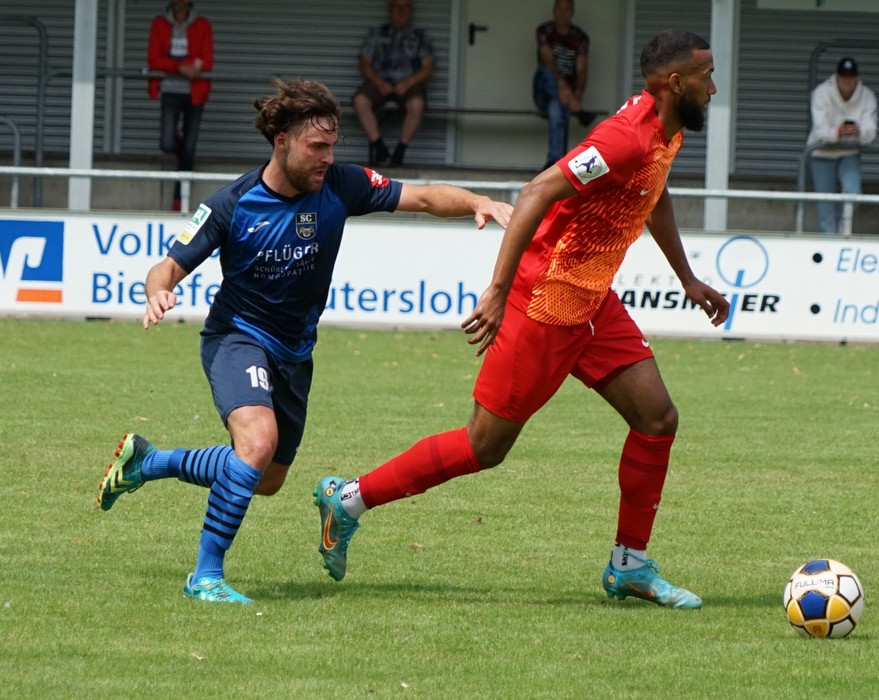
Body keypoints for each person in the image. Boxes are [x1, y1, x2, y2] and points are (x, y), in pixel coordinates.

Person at [314, 30, 730, 609]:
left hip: (593, 302)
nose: (714, 87)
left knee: (657, 419)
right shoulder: (622, 140)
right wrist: (498, 290)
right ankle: (349, 499)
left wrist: (686, 277)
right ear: (676, 83)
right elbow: (535, 192)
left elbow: (652, 193)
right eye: (707, 76)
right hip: (545, 303)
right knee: (484, 447)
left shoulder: (669, 129)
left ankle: (629, 565)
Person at [96, 78, 512, 604]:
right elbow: (167, 265)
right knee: (256, 444)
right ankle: (205, 576)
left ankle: (148, 462)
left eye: (332, 146)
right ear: (282, 141)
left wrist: (478, 200)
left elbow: (424, 197)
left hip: (295, 353)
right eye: (317, 146)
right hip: (238, 337)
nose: (327, 157)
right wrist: (158, 292)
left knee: (265, 477)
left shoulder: (340, 184)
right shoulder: (231, 204)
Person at [147, 0, 213, 212]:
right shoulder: (159, 23)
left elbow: (207, 59)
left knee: (189, 149)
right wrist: (180, 67)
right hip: (170, 90)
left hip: (195, 92)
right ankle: (181, 151)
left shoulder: (202, 25)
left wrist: (193, 67)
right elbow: (154, 59)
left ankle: (178, 201)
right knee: (168, 142)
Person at [352, 0, 435, 167]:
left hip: (408, 84)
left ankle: (399, 153)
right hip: (379, 82)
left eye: (405, 7)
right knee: (360, 101)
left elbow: (428, 67)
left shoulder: (419, 36)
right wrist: (380, 83)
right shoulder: (377, 33)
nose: (401, 11)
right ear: (390, 9)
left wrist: (408, 83)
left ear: (411, 10)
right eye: (397, 6)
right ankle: (379, 148)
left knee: (417, 104)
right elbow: (364, 63)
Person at [806, 57, 877, 234]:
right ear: (836, 76)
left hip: (849, 151)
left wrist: (858, 132)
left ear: (857, 77)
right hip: (822, 153)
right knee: (825, 204)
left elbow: (870, 132)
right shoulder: (821, 92)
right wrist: (837, 132)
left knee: (852, 193)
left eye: (851, 76)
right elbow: (820, 129)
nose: (847, 80)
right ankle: (829, 242)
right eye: (843, 76)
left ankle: (845, 234)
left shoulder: (867, 95)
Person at [533, 0, 595, 170]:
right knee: (545, 73)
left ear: (572, 12)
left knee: (556, 107)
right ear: (553, 11)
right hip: (543, 91)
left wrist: (578, 95)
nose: (562, 13)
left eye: (567, 9)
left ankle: (553, 162)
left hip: (562, 98)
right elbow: (548, 62)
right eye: (559, 9)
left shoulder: (580, 37)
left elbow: (581, 70)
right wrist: (564, 88)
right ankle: (577, 110)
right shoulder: (544, 31)